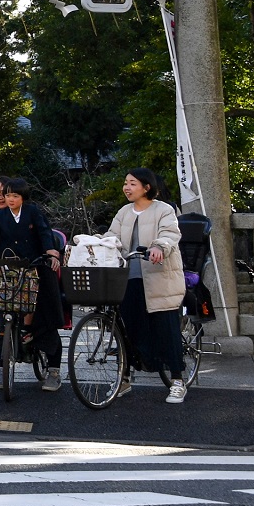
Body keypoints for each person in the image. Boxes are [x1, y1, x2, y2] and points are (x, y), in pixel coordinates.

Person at [106, 168, 187, 404]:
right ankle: (124, 378)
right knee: (129, 329)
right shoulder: (123, 212)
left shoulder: (164, 210)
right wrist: (93, 243)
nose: (127, 187)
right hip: (129, 278)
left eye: (132, 183)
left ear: (146, 187)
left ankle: (178, 381)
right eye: (126, 183)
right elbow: (112, 237)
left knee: (166, 329)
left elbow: (170, 234)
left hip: (160, 279)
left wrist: (159, 247)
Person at [0, 176, 65, 391]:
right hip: (9, 271)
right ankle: (2, 368)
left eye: (14, 196)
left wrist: (50, 251)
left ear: (23, 197)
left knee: (46, 316)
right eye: (7, 195)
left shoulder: (33, 212)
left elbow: (44, 231)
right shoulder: (0, 216)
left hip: (35, 266)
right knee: (3, 318)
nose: (10, 199)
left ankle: (53, 370)